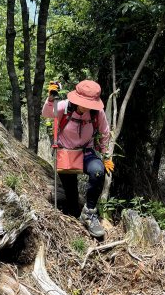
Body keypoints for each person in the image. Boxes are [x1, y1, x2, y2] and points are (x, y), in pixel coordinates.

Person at [42, 79, 114, 237]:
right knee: (72, 199)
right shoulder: (64, 106)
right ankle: (74, 218)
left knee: (97, 172)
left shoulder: (97, 112)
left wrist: (106, 156)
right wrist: (51, 99)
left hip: (87, 152)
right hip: (66, 153)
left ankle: (89, 213)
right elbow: (46, 114)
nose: (87, 106)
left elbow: (105, 133)